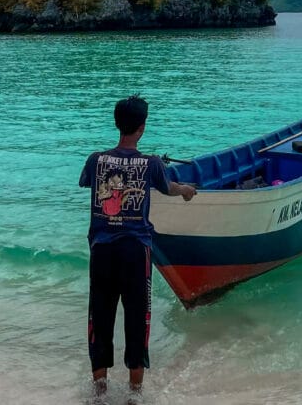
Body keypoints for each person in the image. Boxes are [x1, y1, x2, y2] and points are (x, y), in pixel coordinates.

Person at [78, 95, 196, 403]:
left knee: (99, 317)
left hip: (102, 251)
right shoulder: (152, 163)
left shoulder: (96, 160)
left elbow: (87, 183)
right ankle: (134, 394)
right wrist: (184, 191)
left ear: (117, 124)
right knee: (137, 319)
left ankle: (100, 391)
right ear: (142, 128)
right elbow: (168, 188)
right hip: (135, 251)